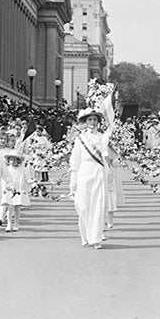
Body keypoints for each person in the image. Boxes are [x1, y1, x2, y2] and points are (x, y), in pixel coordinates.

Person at [67, 107, 112, 249]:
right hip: (84, 172)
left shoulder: (103, 137)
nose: (92, 122)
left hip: (98, 171)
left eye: (95, 119)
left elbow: (106, 157)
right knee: (83, 206)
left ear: (98, 122)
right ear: (85, 122)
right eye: (90, 120)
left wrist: (109, 175)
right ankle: (85, 236)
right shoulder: (80, 139)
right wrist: (73, 182)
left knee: (98, 205)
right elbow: (75, 159)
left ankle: (96, 238)